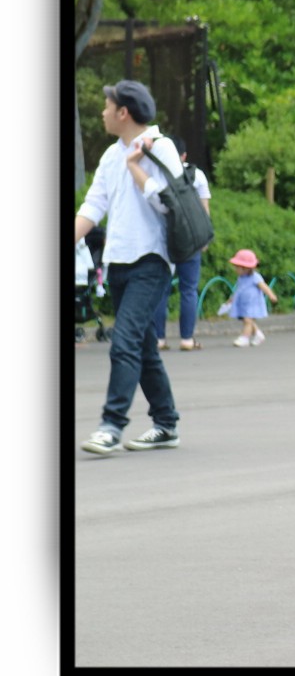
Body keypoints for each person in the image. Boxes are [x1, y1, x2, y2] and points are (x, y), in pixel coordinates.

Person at [74, 80, 183, 455]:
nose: (102, 113)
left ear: (123, 112)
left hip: (151, 261)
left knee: (123, 342)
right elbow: (93, 206)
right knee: (143, 347)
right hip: (117, 262)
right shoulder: (109, 156)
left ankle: (111, 424)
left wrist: (137, 166)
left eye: (107, 107)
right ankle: (166, 424)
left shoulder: (161, 148)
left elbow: (169, 205)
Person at [158, 137, 212, 353]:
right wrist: (204, 237)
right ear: (184, 156)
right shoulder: (196, 175)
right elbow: (203, 209)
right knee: (189, 289)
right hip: (190, 239)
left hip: (164, 239)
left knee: (161, 290)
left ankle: (158, 339)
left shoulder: (158, 173)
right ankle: (187, 339)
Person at [227, 247, 278, 347]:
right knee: (245, 319)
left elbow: (264, 287)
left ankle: (244, 337)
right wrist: (232, 299)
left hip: (252, 303)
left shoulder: (255, 277)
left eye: (237, 267)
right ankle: (258, 334)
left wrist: (271, 296)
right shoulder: (241, 278)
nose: (235, 269)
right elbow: (239, 289)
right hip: (243, 303)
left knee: (248, 320)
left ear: (246, 268)